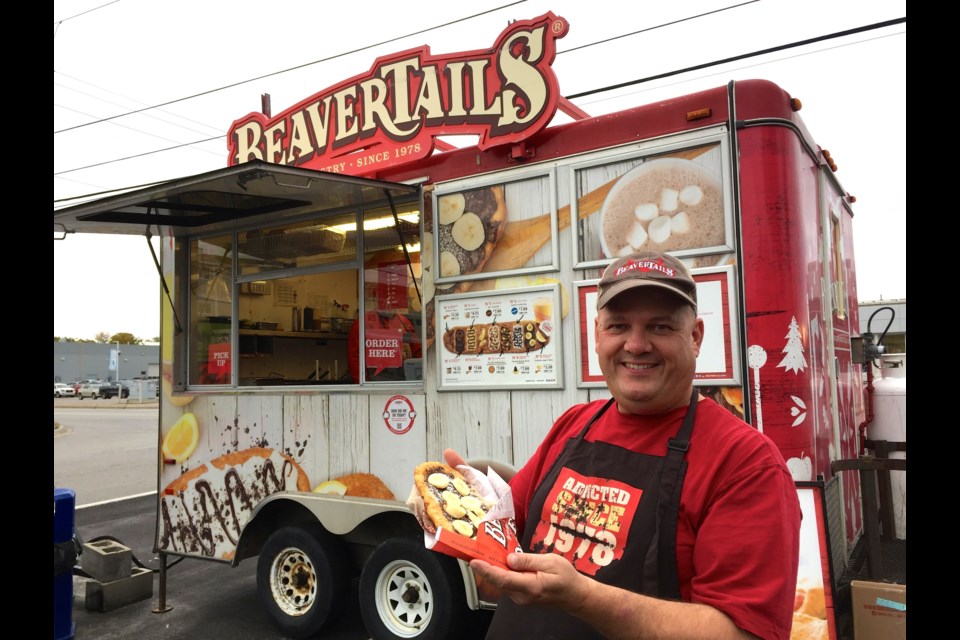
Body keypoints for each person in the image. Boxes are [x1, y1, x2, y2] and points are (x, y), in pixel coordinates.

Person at [446, 250, 801, 639]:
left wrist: (583, 596)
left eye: (660, 327)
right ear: (597, 334)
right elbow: (503, 531)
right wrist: (454, 505)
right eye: (618, 326)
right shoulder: (575, 424)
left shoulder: (745, 463)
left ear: (696, 337)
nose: (635, 345)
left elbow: (742, 634)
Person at [347, 309, 421, 382]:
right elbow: (355, 360)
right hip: (374, 385)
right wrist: (366, 388)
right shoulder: (362, 323)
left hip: (405, 384)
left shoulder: (405, 323)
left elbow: (418, 354)